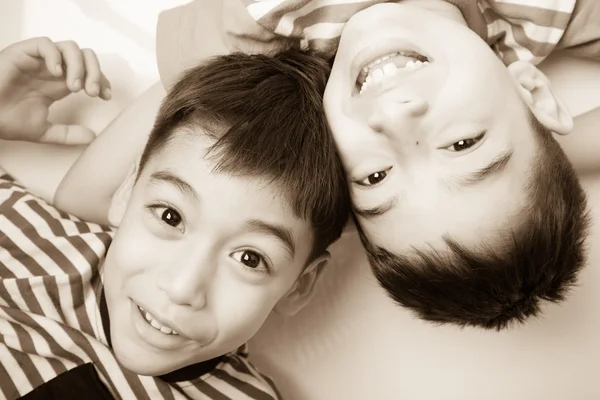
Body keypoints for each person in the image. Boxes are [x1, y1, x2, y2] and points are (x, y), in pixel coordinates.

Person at [55, 0, 598, 330]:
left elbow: (88, 199)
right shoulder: (544, 12)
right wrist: (550, 144)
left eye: (375, 177)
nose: (394, 119)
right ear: (532, 93)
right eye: (463, 144)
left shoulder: (260, 33)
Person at [0, 36, 350, 399]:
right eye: (170, 216)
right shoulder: (26, 242)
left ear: (299, 286)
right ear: (127, 189)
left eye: (250, 258)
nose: (183, 288)